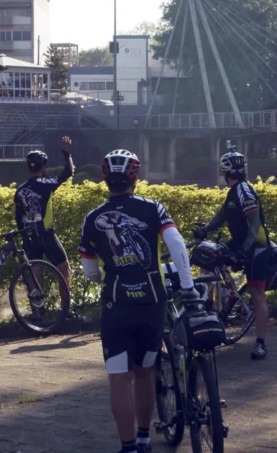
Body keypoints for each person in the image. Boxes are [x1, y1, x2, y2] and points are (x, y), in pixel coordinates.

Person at [79, 149, 197, 453]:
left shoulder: (92, 219)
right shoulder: (154, 209)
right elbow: (176, 243)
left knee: (119, 378)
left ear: (104, 177)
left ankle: (128, 446)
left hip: (116, 305)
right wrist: (187, 285)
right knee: (146, 371)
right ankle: (145, 438)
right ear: (136, 177)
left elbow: (89, 270)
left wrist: (109, 275)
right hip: (152, 302)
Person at [194, 146, 273, 361]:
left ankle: (260, 343)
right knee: (207, 260)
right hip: (238, 242)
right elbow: (222, 215)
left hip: (256, 246)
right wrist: (205, 230)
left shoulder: (245, 192)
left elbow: (255, 225)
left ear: (226, 173)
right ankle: (209, 311)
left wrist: (244, 252)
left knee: (257, 294)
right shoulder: (233, 192)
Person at [15, 136, 74, 285]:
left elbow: (18, 217)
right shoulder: (46, 184)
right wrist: (66, 154)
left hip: (30, 237)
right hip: (47, 234)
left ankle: (37, 308)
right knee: (64, 270)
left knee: (35, 278)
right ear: (43, 167)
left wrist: (24, 239)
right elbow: (68, 172)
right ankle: (66, 308)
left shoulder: (20, 191)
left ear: (28, 167)